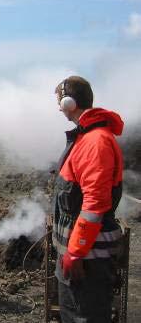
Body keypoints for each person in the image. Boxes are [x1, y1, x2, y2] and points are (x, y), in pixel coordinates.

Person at [52, 76, 124, 323]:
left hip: (87, 259)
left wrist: (76, 251)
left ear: (68, 103)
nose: (58, 108)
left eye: (59, 102)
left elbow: (94, 205)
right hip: (83, 255)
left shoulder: (95, 142)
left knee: (83, 316)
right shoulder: (87, 137)